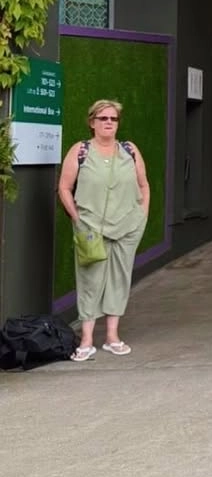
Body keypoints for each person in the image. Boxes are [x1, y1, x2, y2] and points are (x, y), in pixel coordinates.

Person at [57, 98, 150, 360]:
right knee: (90, 280)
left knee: (119, 279)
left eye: (113, 119)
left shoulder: (129, 150)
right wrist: (77, 218)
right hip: (90, 228)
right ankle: (87, 340)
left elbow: (144, 185)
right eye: (103, 118)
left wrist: (141, 216)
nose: (109, 122)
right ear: (92, 122)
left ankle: (112, 336)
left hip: (127, 226)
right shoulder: (81, 150)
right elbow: (64, 187)